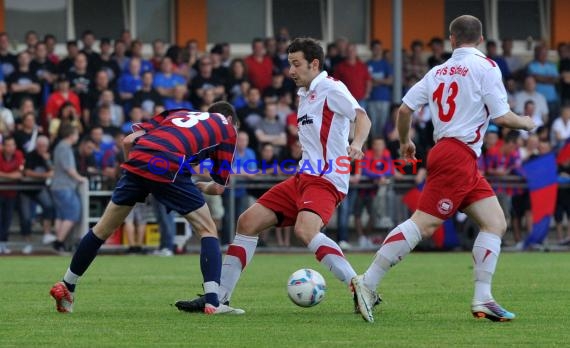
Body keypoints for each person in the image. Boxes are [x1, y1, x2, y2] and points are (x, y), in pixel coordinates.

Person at [350, 15, 536, 323]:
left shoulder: (437, 71)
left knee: (495, 222)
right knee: (424, 225)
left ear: (451, 39)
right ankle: (366, 283)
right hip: (456, 155)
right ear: (480, 39)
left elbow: (405, 108)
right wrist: (526, 123)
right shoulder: (486, 67)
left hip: (453, 154)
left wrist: (405, 144)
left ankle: (483, 297)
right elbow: (503, 117)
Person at [175, 37, 372, 313]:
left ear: (314, 64)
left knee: (305, 231)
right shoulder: (305, 94)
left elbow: (362, 117)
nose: (291, 71)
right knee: (247, 221)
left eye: (296, 64)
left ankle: (358, 284)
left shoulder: (330, 88)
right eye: (289, 64)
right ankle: (218, 298)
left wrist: (358, 144)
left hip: (326, 178)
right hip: (303, 177)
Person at [49, 101, 244, 315]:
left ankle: (67, 284)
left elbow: (128, 140)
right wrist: (198, 185)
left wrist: (137, 178)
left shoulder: (179, 112)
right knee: (208, 229)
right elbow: (218, 187)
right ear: (231, 121)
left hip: (138, 159)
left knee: (101, 230)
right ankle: (213, 302)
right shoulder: (228, 130)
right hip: (169, 162)